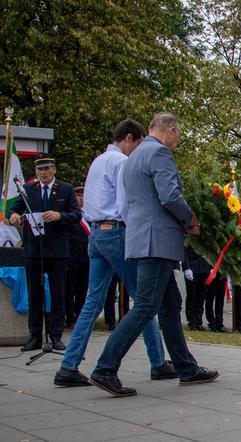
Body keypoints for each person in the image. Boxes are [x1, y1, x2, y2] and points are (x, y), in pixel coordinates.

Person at [89, 112, 217, 397]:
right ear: (170, 131)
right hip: (155, 242)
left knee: (170, 304)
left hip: (141, 239)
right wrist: (191, 221)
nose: (177, 141)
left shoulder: (133, 157)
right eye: (178, 135)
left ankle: (186, 368)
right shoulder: (159, 154)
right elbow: (170, 196)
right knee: (146, 305)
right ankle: (105, 369)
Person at [54, 119, 174, 388]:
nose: (140, 148)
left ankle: (68, 366)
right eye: (140, 142)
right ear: (129, 138)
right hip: (116, 232)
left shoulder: (98, 161)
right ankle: (157, 362)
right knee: (144, 302)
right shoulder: (121, 162)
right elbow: (124, 203)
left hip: (96, 234)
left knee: (91, 303)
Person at [9, 153, 82, 352]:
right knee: (34, 294)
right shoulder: (28, 190)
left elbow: (76, 215)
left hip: (57, 250)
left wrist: (60, 215)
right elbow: (12, 209)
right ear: (36, 172)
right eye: (40, 170)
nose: (43, 173)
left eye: (47, 169)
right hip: (34, 250)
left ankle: (56, 335)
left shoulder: (65, 189)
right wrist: (14, 215)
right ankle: (35, 336)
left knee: (58, 294)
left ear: (54, 170)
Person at [183, 245, 226, 332]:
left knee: (201, 297)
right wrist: (186, 267)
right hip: (192, 268)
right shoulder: (189, 234)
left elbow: (210, 252)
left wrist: (211, 267)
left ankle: (198, 321)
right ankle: (192, 322)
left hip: (204, 268)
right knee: (192, 296)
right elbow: (184, 252)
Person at [64, 185, 90, 328]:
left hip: (86, 258)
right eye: (78, 196)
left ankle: (80, 315)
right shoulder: (70, 215)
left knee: (83, 289)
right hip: (72, 257)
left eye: (82, 196)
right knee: (70, 289)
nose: (80, 199)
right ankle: (70, 317)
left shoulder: (89, 215)